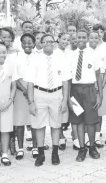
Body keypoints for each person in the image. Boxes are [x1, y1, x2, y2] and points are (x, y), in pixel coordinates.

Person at [26, 34, 72, 166]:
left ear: (55, 43)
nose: (49, 44)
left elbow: (65, 81)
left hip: (56, 94)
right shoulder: (35, 59)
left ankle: (55, 152)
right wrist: (31, 102)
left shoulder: (61, 58)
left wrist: (64, 101)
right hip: (39, 94)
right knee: (39, 125)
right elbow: (29, 83)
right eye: (45, 42)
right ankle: (40, 154)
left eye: (51, 42)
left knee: (56, 125)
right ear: (40, 44)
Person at [67, 30, 103, 161]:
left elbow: (98, 75)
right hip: (75, 91)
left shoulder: (93, 54)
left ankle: (92, 147)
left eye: (83, 37)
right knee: (79, 121)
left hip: (90, 90)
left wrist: (100, 94)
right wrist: (68, 98)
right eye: (78, 37)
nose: (81, 39)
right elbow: (67, 78)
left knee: (91, 121)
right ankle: (82, 149)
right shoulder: (70, 55)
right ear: (75, 38)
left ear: (87, 38)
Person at [13, 33, 36, 160]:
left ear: (34, 43)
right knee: (20, 121)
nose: (27, 44)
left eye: (30, 42)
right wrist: (25, 90)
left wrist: (32, 91)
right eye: (24, 42)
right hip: (20, 91)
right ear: (21, 43)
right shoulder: (15, 57)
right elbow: (15, 77)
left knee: (33, 120)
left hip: (35, 91)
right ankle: (20, 148)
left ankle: (35, 146)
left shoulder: (38, 57)